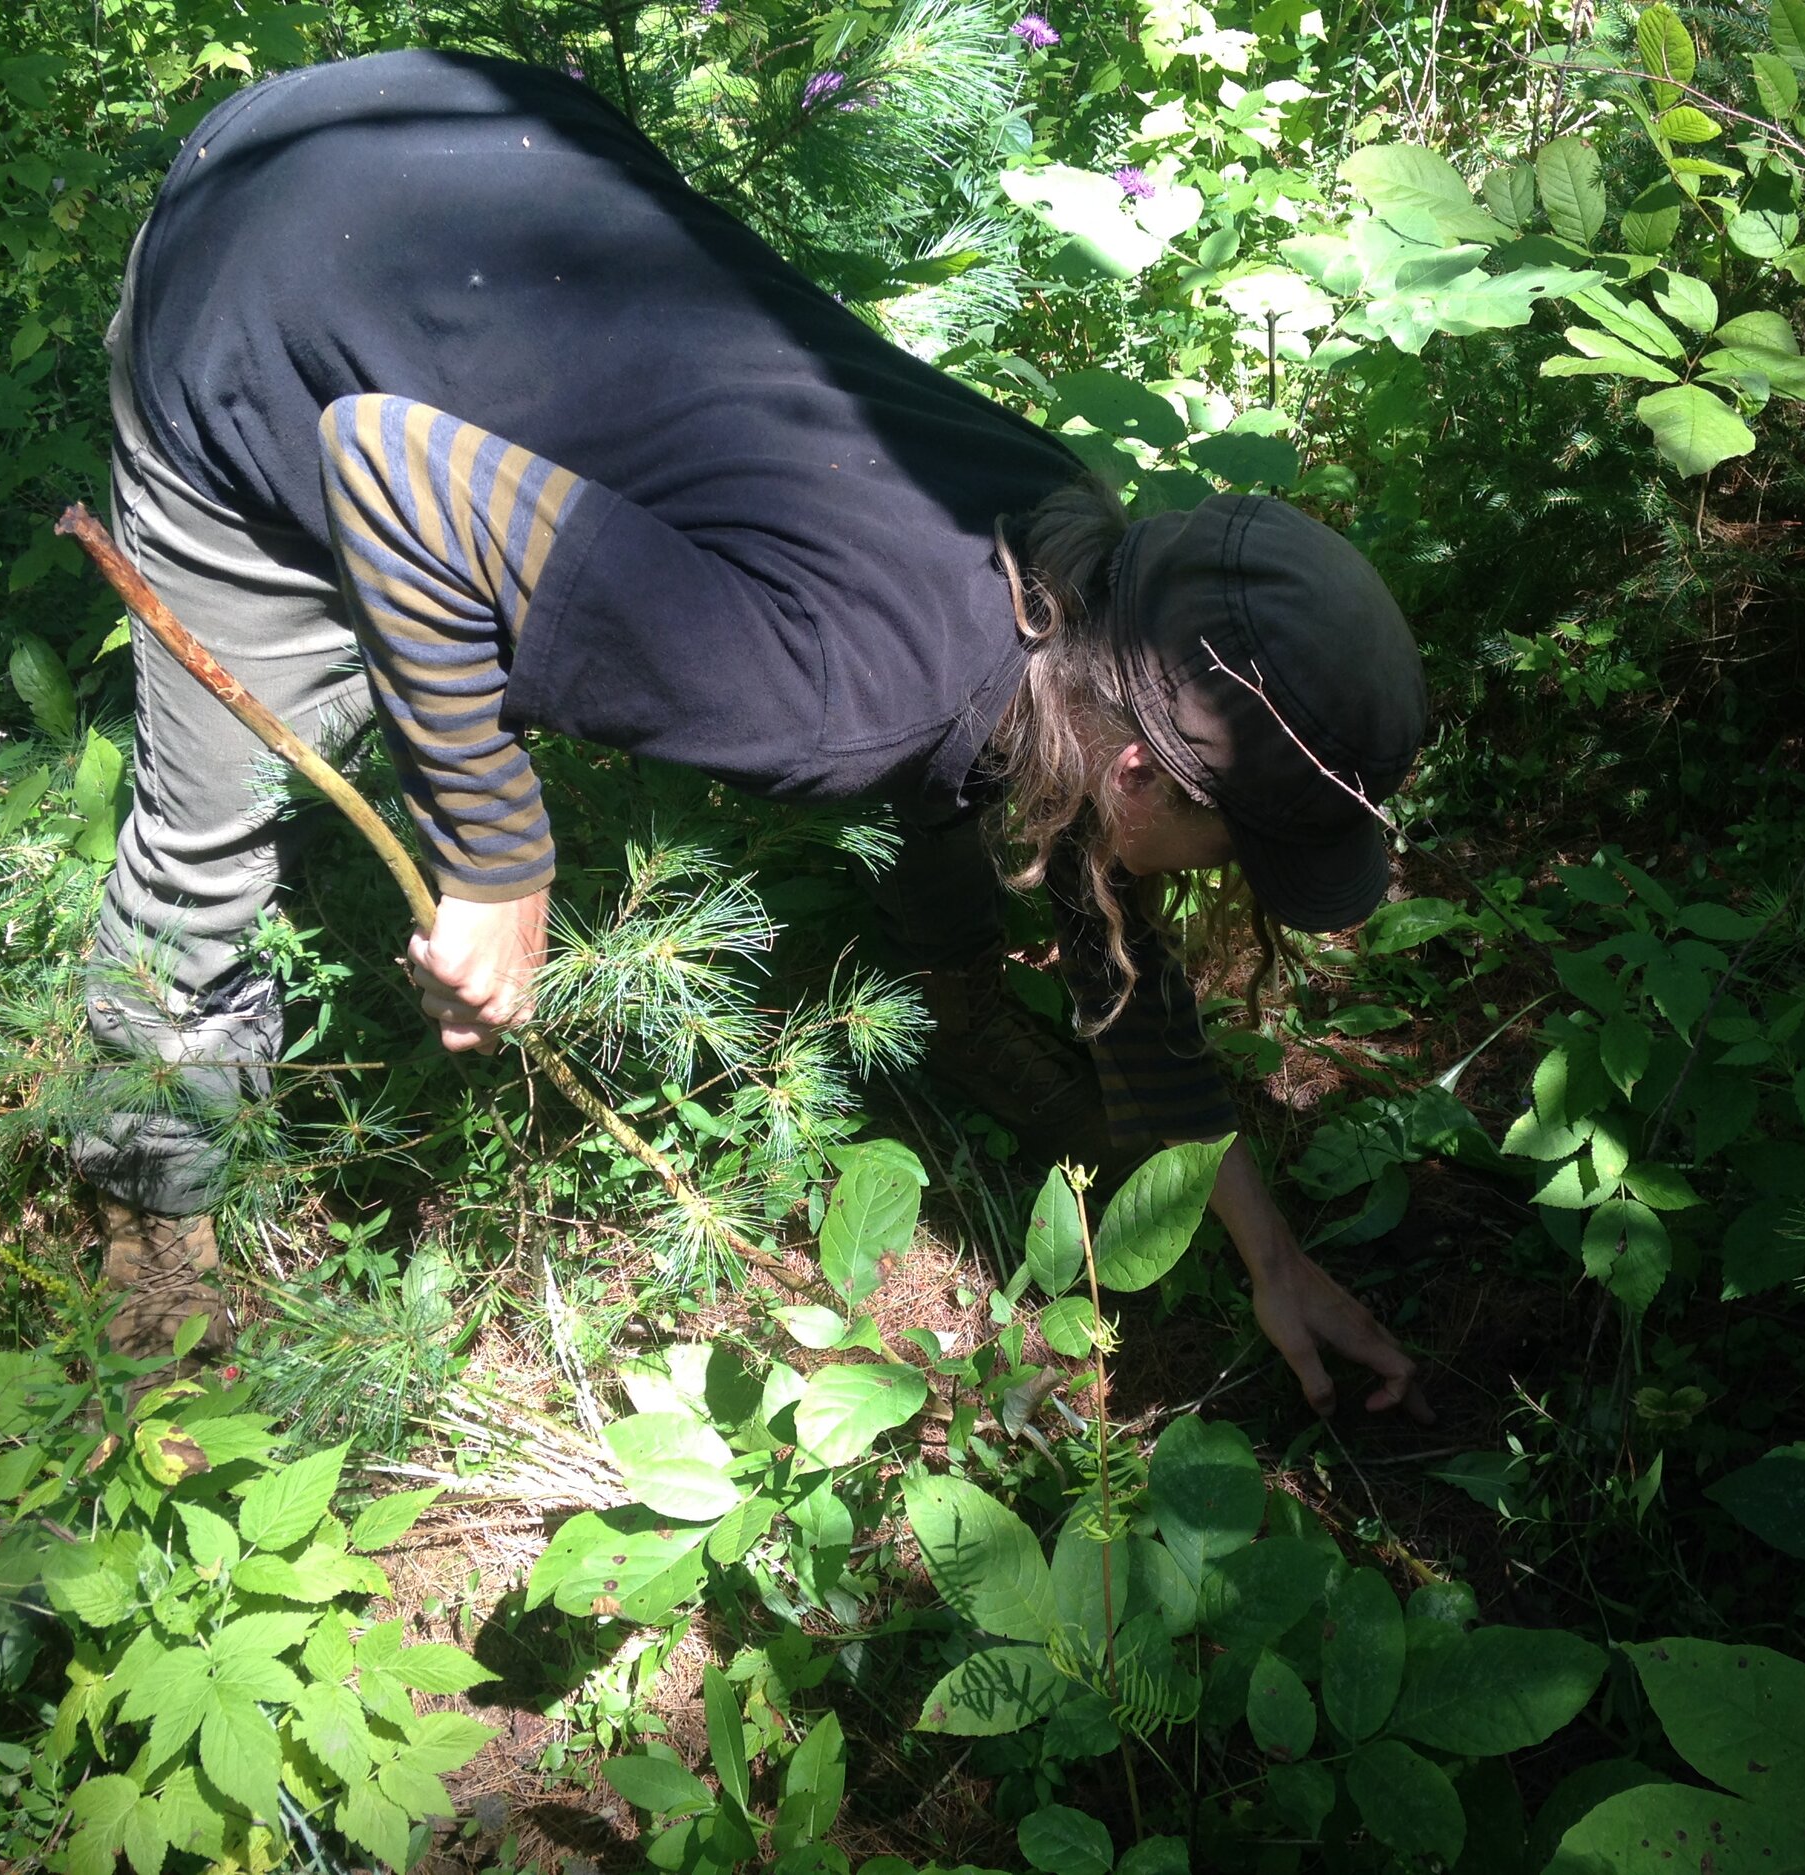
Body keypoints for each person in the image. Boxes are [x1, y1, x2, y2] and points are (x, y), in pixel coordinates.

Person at [78, 47, 1433, 1421]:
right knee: (215, 823)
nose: (1214, 878)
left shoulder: (1067, 558)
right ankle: (143, 1203)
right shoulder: (840, 691)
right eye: (1229, 848)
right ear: (1145, 767)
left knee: (970, 763)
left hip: (465, 141)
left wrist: (1268, 1252)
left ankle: (953, 1012)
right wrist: (494, 860)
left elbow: (1101, 876)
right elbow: (388, 465)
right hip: (264, 274)